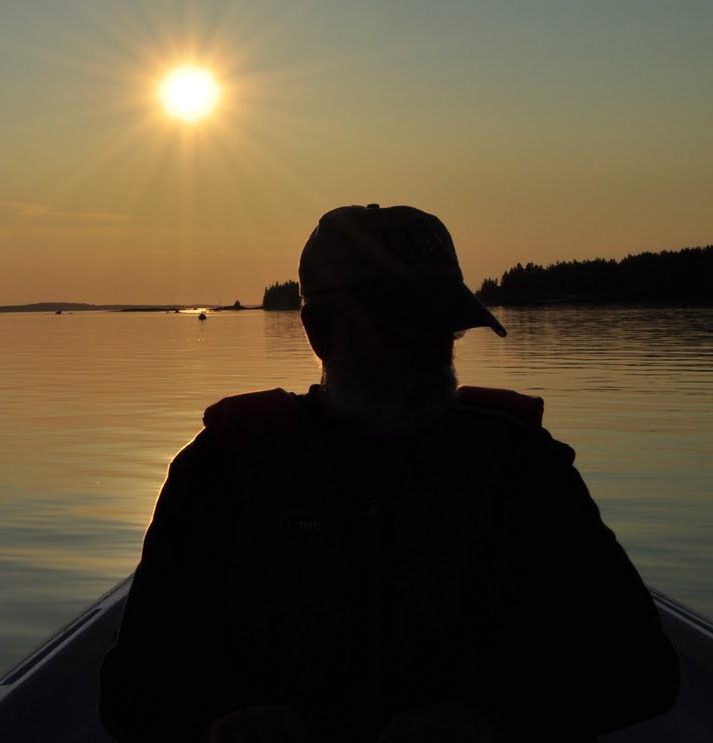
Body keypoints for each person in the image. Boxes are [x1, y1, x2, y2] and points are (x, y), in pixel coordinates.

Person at [100, 204, 678, 742]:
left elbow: (645, 673)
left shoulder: (526, 467)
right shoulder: (221, 470)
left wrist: (493, 721)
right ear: (320, 333)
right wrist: (222, 724)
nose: (429, 353)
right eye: (398, 329)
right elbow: (131, 699)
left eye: (441, 329)